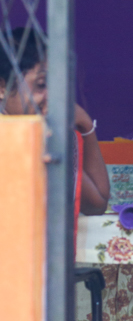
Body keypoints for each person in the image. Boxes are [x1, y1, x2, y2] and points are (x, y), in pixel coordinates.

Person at [0, 28, 110, 216]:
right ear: (2, 88)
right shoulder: (14, 136)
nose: (53, 96)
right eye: (41, 84)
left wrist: (85, 124)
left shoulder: (42, 133)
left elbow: (97, 203)